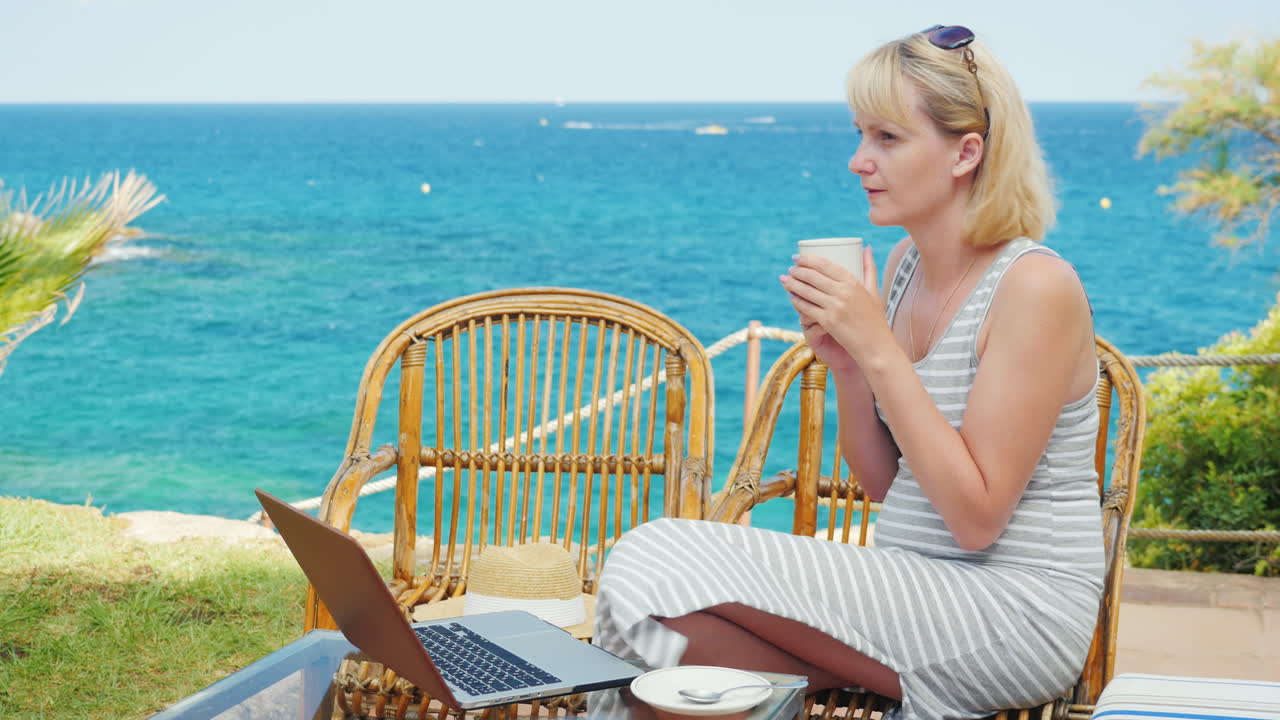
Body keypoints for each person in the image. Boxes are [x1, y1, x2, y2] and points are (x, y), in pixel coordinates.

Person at [592, 25, 1103, 720]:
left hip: (1015, 609)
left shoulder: (1035, 288)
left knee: (650, 555)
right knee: (665, 651)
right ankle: (795, 691)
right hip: (914, 593)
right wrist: (849, 367)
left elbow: (977, 519)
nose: (860, 161)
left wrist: (880, 350)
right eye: (861, 135)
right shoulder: (903, 270)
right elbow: (891, 488)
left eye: (887, 139)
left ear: (966, 152)